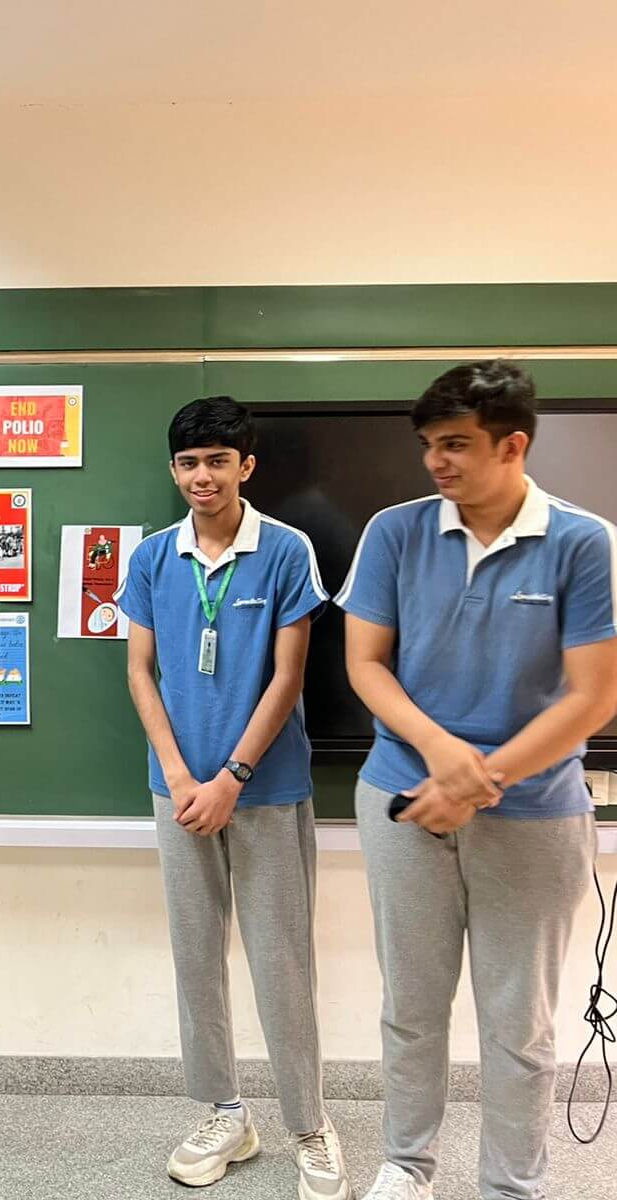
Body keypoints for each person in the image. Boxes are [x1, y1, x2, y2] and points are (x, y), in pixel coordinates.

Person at [337, 361, 617, 1200]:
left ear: (513, 445)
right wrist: (439, 752)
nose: (436, 461)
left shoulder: (583, 542)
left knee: (518, 1024)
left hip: (534, 814)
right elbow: (365, 662)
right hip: (404, 796)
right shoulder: (395, 532)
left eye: (456, 444)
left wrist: (479, 778)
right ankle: (406, 1166)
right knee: (411, 1008)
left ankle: (512, 1186)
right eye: (430, 444)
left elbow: (594, 696)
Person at [115, 398, 349, 1199]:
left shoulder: (285, 550)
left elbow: (288, 677)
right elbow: (139, 672)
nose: (202, 476)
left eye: (218, 460)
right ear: (174, 470)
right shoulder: (153, 557)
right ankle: (225, 1113)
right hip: (179, 793)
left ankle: (309, 1125)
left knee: (282, 962)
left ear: (246, 465)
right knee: (196, 958)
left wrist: (231, 779)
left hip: (266, 789)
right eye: (188, 463)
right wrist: (182, 778)